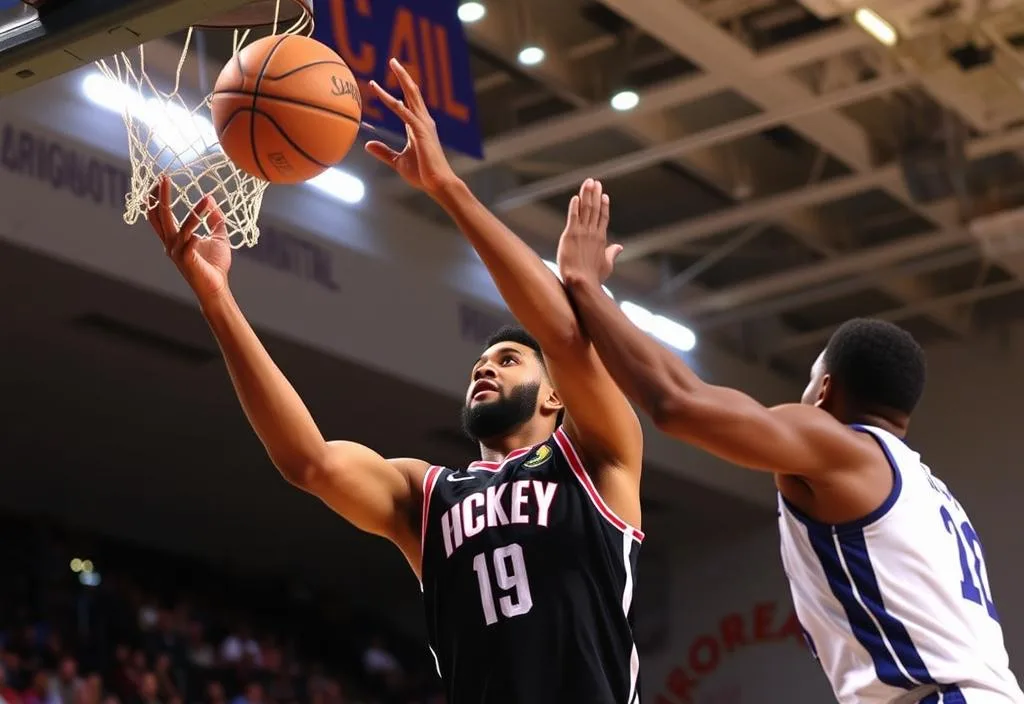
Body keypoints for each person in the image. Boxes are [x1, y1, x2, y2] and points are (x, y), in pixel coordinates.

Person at [143, 59, 645, 704]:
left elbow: (565, 338)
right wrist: (218, 303)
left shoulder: (595, 460)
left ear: (557, 396)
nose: (486, 367)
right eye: (479, 366)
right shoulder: (428, 494)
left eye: (509, 361)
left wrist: (445, 187)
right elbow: (310, 462)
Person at [556, 186, 1024, 704]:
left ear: (824, 391)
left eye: (807, 382)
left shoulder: (839, 446)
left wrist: (584, 286)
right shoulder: (930, 496)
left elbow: (677, 402)